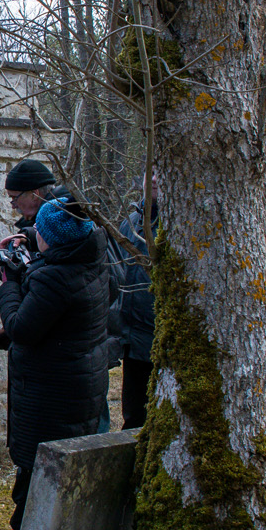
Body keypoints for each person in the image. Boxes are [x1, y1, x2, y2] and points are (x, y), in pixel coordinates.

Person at [0, 196, 110, 530]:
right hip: (81, 380)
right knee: (63, 466)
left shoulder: (54, 278)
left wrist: (9, 285)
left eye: (39, 229)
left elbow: (21, 328)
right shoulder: (90, 260)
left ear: (50, 237)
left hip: (51, 390)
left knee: (40, 468)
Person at [115, 178, 160, 430]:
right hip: (134, 340)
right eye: (148, 171)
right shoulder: (131, 222)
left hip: (162, 336)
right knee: (134, 419)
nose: (152, 178)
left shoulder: (182, 224)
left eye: (159, 171)